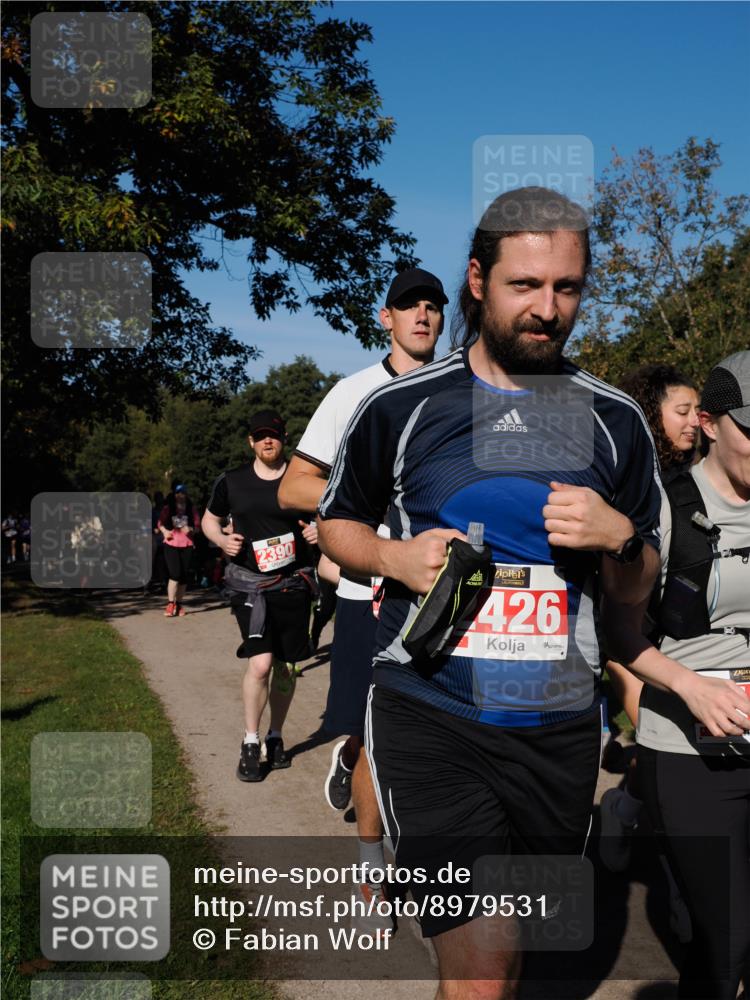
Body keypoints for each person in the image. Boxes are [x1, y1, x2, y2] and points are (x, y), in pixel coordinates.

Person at [317, 186, 684, 997]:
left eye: (567, 288)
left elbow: (638, 587)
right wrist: (396, 557)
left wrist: (619, 537)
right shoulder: (403, 407)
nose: (548, 309)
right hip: (431, 712)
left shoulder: (616, 421)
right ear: (478, 281)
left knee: (513, 949)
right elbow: (334, 527)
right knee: (483, 963)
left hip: (556, 728)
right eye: (525, 285)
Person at [278, 267, 446, 927]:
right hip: (365, 590)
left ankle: (353, 752)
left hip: (439, 593)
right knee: (379, 738)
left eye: (433, 306)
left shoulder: (459, 390)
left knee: (436, 735)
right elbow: (294, 489)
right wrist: (361, 512)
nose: (423, 316)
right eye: (410, 306)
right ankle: (374, 870)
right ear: (386, 318)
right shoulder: (355, 393)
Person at [633, 351, 750, 999]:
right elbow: (615, 630)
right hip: (690, 754)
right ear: (709, 422)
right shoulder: (664, 505)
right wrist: (691, 687)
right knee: (724, 941)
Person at [600, 365, 701, 883]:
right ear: (651, 412)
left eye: (696, 412)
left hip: (678, 633)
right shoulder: (628, 475)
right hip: (625, 637)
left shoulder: (700, 475)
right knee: (665, 745)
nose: (693, 422)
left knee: (678, 750)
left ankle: (629, 809)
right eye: (681, 412)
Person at [202, 410, 318, 782]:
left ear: (284, 438)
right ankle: (251, 740)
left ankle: (276, 734)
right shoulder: (232, 481)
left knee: (287, 666)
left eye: (274, 435)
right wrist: (221, 539)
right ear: (251, 442)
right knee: (261, 664)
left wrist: (320, 532)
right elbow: (208, 519)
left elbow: (330, 517)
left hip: (294, 584)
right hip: (251, 585)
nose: (268, 441)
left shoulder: (302, 482)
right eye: (260, 436)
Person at [157, 485, 201, 617]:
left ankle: (179, 604)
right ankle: (171, 604)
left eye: (183, 492)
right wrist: (165, 532)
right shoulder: (168, 508)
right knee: (175, 574)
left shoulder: (191, 509)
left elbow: (198, 527)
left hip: (187, 544)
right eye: (178, 493)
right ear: (175, 494)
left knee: (183, 576)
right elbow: (160, 523)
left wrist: (191, 529)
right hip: (171, 543)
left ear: (186, 494)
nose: (180, 495)